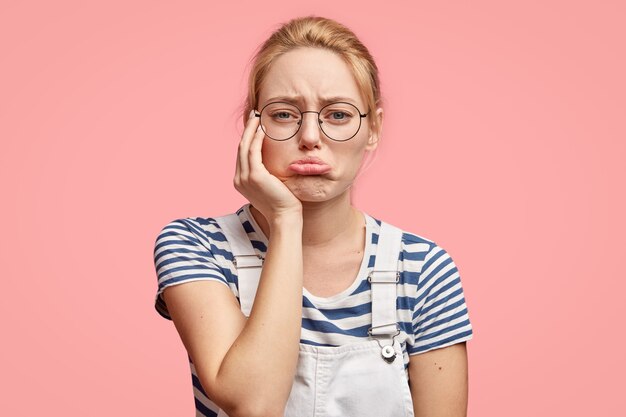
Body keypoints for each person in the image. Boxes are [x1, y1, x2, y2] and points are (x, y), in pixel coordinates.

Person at [153, 16, 473, 417]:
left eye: (337, 115)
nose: (309, 136)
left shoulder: (423, 268)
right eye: (284, 114)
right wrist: (287, 219)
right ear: (254, 127)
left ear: (373, 127)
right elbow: (254, 405)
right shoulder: (196, 245)